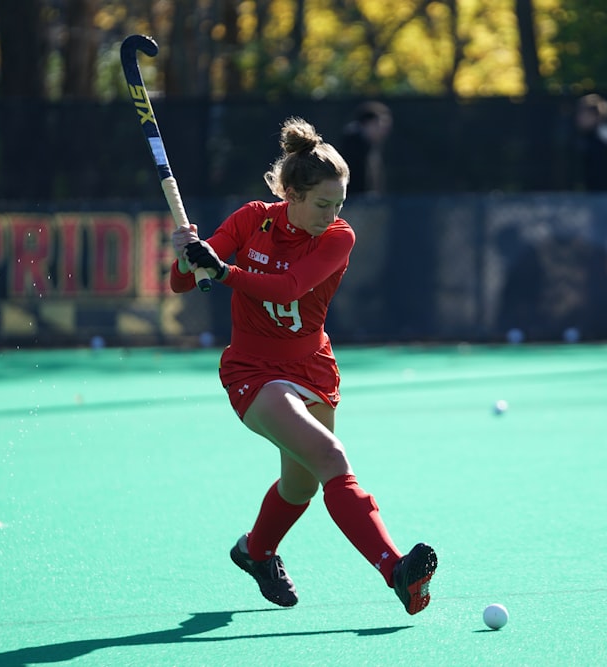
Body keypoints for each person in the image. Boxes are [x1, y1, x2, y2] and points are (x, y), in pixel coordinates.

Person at [169, 117, 437, 615]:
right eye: (321, 204)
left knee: (302, 483)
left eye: (339, 204)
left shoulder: (339, 237)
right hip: (252, 369)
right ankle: (395, 569)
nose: (331, 214)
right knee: (332, 457)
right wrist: (187, 257)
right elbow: (182, 284)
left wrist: (222, 271)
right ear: (290, 193)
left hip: (311, 367)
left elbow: (291, 286)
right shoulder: (251, 220)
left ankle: (255, 551)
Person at [339, 101, 393, 196]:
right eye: (381, 126)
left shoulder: (366, 144)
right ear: (370, 123)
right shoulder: (353, 144)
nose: (384, 132)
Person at [575, 93, 607, 191]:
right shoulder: (591, 138)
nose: (578, 118)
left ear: (595, 115)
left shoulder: (602, 140)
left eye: (582, 113)